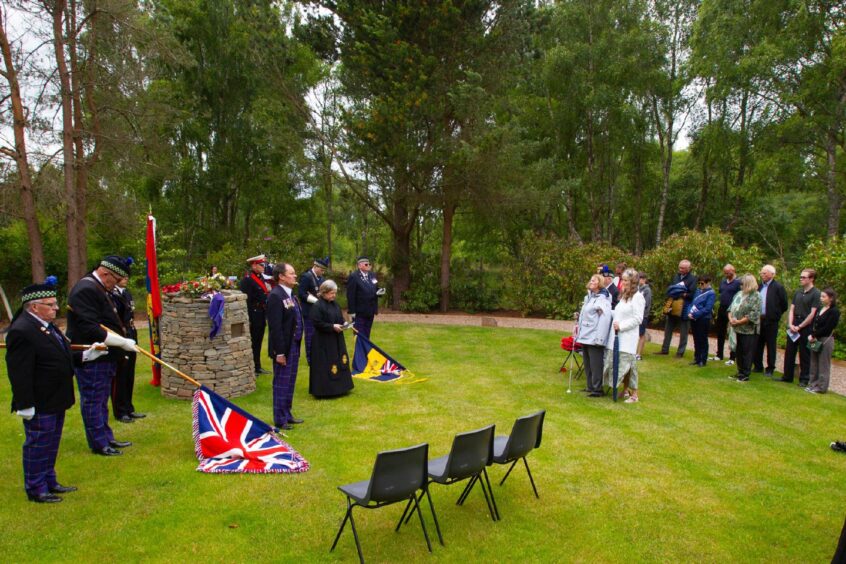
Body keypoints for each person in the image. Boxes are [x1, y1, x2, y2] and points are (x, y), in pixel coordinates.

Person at [5, 278, 106, 502]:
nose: (56, 308)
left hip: (56, 397)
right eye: (50, 305)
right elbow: (19, 372)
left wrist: (88, 354)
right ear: (34, 307)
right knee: (38, 443)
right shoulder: (22, 330)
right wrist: (24, 404)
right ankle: (36, 488)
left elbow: (62, 355)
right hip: (40, 400)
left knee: (51, 443)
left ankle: (49, 480)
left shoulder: (47, 326)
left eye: (54, 304)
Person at [66, 256, 137, 456]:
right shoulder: (86, 289)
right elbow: (90, 327)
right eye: (114, 280)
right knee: (94, 400)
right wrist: (121, 342)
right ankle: (99, 443)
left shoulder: (99, 288)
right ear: (105, 273)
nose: (115, 285)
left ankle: (107, 437)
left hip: (105, 354)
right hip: (92, 354)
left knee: (102, 399)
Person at [266, 263, 304, 430]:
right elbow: (275, 327)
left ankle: (287, 414)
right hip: (283, 348)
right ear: (281, 276)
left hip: (293, 345)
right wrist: (279, 353)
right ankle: (280, 419)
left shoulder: (289, 294)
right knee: (281, 383)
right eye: (292, 273)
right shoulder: (275, 295)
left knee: (290, 383)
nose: (295, 276)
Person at [602, 269, 645, 403]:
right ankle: (625, 390)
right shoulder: (624, 296)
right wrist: (606, 311)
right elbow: (619, 313)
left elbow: (638, 318)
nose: (623, 282)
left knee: (628, 366)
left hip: (627, 338)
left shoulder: (638, 297)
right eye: (623, 280)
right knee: (616, 364)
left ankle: (634, 394)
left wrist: (621, 326)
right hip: (615, 337)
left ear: (633, 282)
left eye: (626, 280)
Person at [309, 280, 354, 398]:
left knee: (340, 359)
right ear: (324, 293)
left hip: (336, 338)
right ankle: (326, 390)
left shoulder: (335, 304)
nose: (333, 295)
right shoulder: (317, 306)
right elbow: (316, 323)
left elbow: (339, 317)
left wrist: (344, 323)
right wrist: (331, 326)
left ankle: (342, 387)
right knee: (326, 362)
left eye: (334, 293)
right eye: (331, 293)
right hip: (323, 340)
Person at [111, 273, 144, 423]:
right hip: (119, 336)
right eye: (123, 277)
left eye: (126, 277)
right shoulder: (111, 294)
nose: (126, 279)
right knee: (120, 374)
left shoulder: (126, 293)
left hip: (130, 333)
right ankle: (120, 410)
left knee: (130, 373)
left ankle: (129, 407)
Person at [780, 268, 821, 386]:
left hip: (806, 325)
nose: (801, 279)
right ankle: (787, 376)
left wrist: (800, 326)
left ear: (811, 279)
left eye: (804, 277)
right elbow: (792, 309)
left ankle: (804, 379)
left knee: (804, 353)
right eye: (801, 277)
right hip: (795, 322)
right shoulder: (798, 292)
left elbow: (812, 313)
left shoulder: (816, 293)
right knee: (789, 351)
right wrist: (791, 324)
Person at [576, 274, 612, 397]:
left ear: (599, 283)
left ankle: (597, 389)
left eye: (593, 280)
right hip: (585, 334)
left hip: (594, 336)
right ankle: (590, 386)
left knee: (595, 364)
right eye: (590, 280)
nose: (590, 282)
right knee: (587, 362)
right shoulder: (589, 297)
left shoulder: (602, 299)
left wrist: (600, 337)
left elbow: (605, 318)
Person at [753, 264, 788, 376]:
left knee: (771, 344)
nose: (762, 275)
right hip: (759, 319)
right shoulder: (759, 286)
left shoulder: (778, 287)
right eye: (761, 273)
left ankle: (770, 368)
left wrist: (775, 314)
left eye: (765, 273)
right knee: (758, 343)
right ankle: (758, 366)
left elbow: (784, 304)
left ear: (772, 274)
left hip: (771, 321)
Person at [658, 259, 697, 357]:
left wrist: (680, 292)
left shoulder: (693, 279)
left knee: (683, 331)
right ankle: (664, 349)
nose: (680, 269)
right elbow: (671, 288)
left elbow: (691, 294)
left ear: (689, 269)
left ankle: (680, 352)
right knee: (668, 329)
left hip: (684, 307)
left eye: (683, 268)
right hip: (672, 305)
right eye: (680, 267)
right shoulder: (676, 276)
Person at [240, 254, 271, 375]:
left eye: (264, 264)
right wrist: (248, 318)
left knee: (258, 341)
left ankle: (257, 366)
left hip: (261, 312)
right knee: (253, 341)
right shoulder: (248, 279)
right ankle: (252, 367)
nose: (264, 267)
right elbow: (246, 300)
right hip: (253, 313)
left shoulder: (259, 277)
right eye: (261, 265)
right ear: (254, 265)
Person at [728, 274, 762, 382]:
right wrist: (731, 319)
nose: (741, 286)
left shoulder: (756, 296)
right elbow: (730, 307)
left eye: (742, 284)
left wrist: (739, 321)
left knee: (747, 352)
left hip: (749, 329)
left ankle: (745, 374)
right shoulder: (739, 294)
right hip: (737, 328)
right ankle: (740, 371)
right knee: (739, 351)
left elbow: (754, 314)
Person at [806, 288, 840, 394]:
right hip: (815, 337)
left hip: (825, 338)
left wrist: (814, 335)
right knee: (814, 361)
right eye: (821, 296)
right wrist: (812, 334)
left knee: (823, 363)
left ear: (831, 298)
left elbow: (828, 327)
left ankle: (821, 387)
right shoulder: (820, 308)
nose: (821, 298)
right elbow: (814, 323)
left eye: (824, 296)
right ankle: (812, 384)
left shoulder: (834, 311)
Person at [298, 256, 329, 365]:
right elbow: (301, 293)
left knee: (319, 335)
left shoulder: (321, 278)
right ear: (315, 267)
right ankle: (310, 358)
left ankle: (319, 356)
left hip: (319, 311)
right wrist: (315, 300)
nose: (323, 272)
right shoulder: (307, 277)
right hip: (309, 311)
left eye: (324, 270)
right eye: (321, 270)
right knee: (310, 336)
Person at [346, 256, 384, 339]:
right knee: (359, 335)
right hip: (359, 312)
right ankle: (359, 351)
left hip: (370, 310)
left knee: (367, 334)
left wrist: (380, 291)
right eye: (366, 264)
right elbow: (350, 295)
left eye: (369, 264)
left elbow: (375, 287)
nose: (369, 266)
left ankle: (366, 351)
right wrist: (352, 311)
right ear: (359, 265)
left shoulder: (372, 275)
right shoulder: (354, 276)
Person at [713, 264, 741, 365]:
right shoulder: (723, 282)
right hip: (722, 308)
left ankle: (732, 357)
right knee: (720, 331)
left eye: (728, 272)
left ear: (733, 271)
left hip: (733, 310)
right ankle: (719, 354)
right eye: (725, 272)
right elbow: (721, 292)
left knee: (732, 333)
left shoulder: (738, 282)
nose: (726, 274)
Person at [688, 274, 716, 367]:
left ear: (708, 283)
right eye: (699, 283)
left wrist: (696, 314)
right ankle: (697, 358)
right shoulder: (698, 291)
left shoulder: (711, 293)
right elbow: (692, 303)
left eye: (702, 283)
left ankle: (703, 359)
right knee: (696, 339)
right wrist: (689, 312)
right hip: (694, 318)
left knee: (702, 339)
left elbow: (708, 308)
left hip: (703, 318)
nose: (700, 285)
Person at [636, 272, 652, 361]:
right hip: (636, 314)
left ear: (645, 279)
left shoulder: (647, 290)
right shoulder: (637, 288)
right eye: (638, 278)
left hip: (643, 315)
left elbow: (646, 304)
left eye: (641, 278)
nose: (639, 280)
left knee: (641, 334)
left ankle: (639, 354)